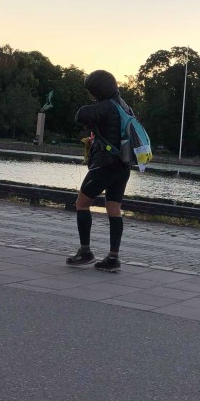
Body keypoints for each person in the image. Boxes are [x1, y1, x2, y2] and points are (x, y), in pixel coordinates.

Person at [66, 70, 132, 272]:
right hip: (123, 165)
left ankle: (85, 251)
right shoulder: (126, 107)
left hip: (105, 165)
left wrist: (90, 109)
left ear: (98, 90)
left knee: (82, 203)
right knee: (114, 208)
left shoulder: (106, 106)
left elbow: (81, 116)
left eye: (92, 91)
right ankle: (113, 258)